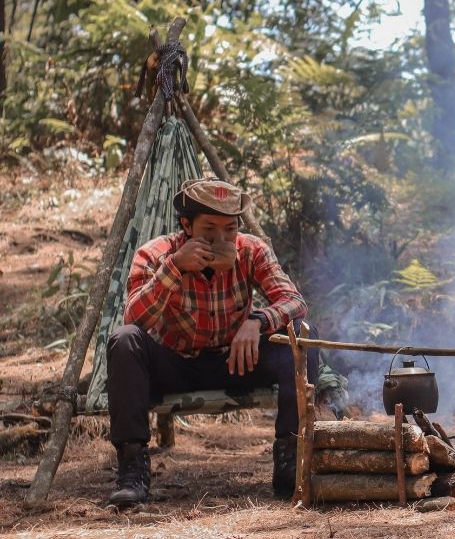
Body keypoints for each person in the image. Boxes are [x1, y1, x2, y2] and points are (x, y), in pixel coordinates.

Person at [106, 178, 314, 506]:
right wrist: (175, 268)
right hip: (175, 363)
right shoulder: (155, 253)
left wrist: (257, 321)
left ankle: (290, 459)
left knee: (301, 334)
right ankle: (132, 469)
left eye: (230, 229)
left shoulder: (251, 250)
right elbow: (134, 318)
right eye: (209, 230)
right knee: (124, 340)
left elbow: (294, 301)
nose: (221, 240)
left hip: (234, 360)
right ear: (186, 226)